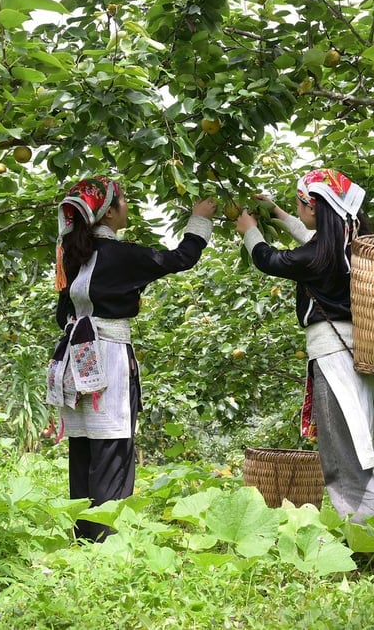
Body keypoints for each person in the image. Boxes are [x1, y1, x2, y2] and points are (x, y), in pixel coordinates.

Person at [234, 169, 374, 544]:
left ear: (316, 207)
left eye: (300, 203)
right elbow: (314, 241)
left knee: (344, 458)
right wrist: (278, 214)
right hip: (365, 353)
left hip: (334, 357)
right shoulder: (355, 246)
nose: (297, 209)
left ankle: (369, 549)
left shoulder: (317, 257)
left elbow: (270, 260)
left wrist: (248, 230)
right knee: (367, 452)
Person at [47, 177, 216, 542]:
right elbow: (180, 258)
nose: (127, 205)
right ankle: (107, 543)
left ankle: (84, 539)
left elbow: (63, 315)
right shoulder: (123, 255)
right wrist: (199, 218)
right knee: (113, 446)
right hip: (107, 355)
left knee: (84, 447)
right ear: (109, 211)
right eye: (123, 200)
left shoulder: (73, 257)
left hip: (74, 359)